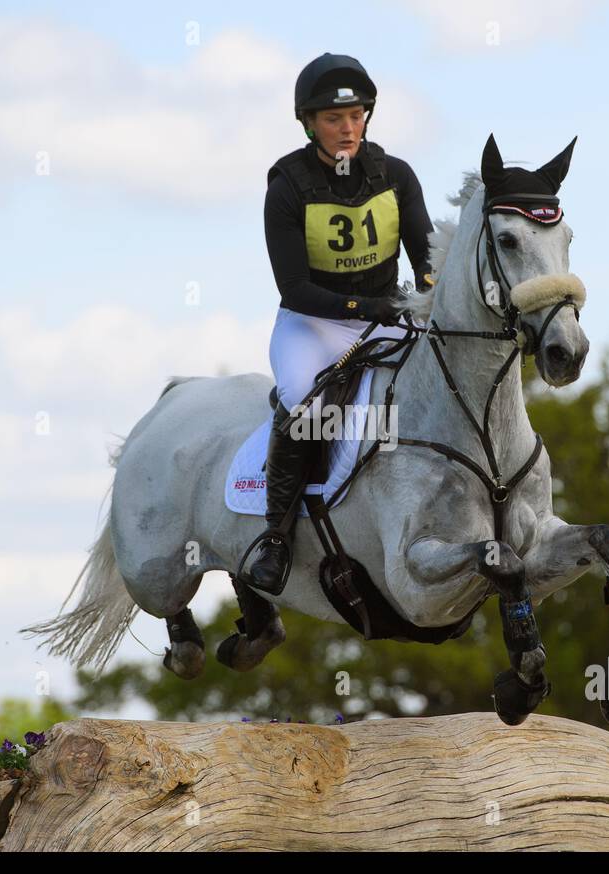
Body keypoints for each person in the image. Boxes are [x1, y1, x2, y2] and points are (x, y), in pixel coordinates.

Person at [243, 52, 435, 594]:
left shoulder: (395, 175)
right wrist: (366, 310)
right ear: (309, 124)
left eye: (355, 117)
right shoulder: (286, 188)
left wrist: (429, 288)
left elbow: (424, 256)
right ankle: (276, 539)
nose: (347, 129)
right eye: (333, 119)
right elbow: (295, 287)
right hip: (313, 324)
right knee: (304, 399)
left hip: (387, 316)